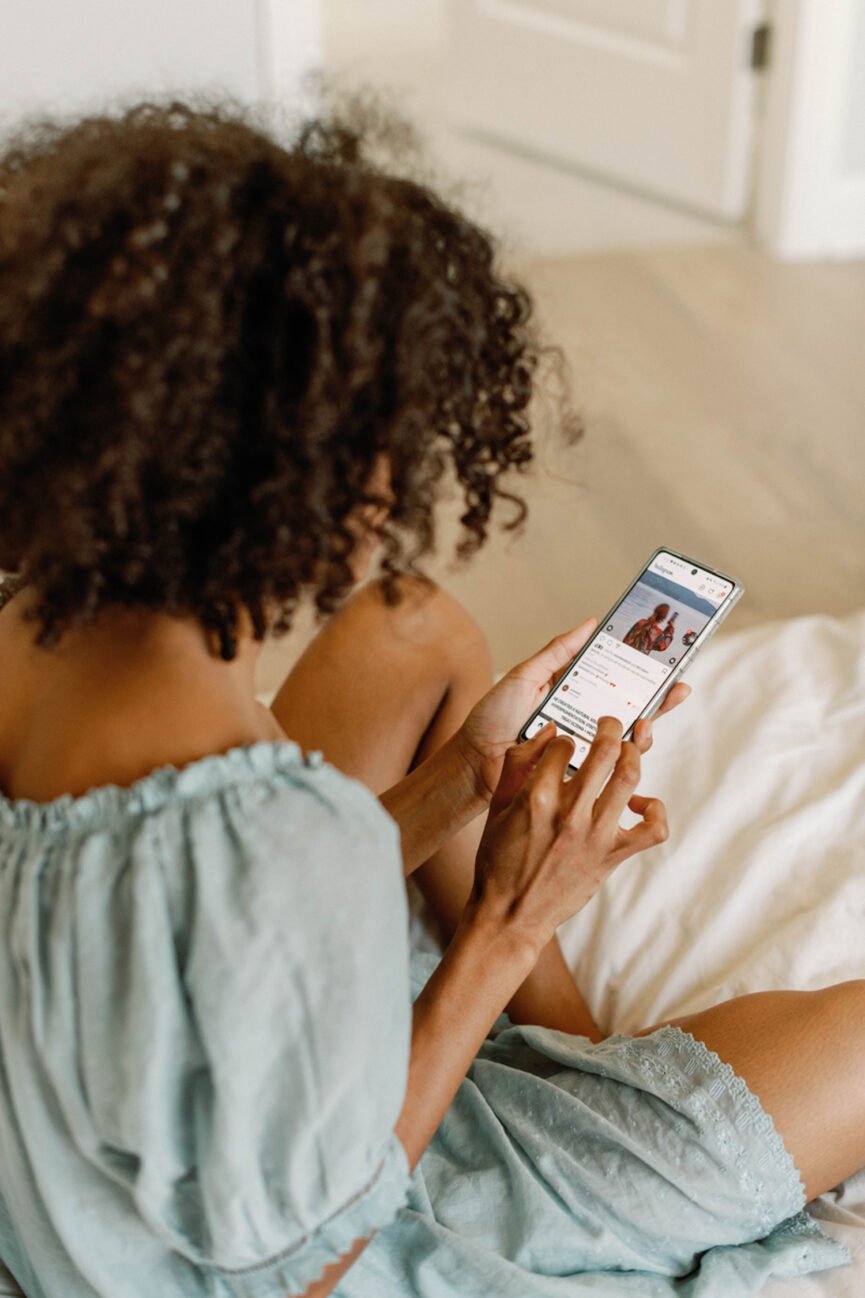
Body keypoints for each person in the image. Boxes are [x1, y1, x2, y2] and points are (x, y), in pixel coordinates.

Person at [0, 96, 860, 1298]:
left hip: (93, 1170)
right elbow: (293, 1264)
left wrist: (463, 778)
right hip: (320, 1237)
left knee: (409, 632)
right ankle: (564, 1068)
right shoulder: (250, 823)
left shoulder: (30, 632)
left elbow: (200, 922)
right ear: (307, 470)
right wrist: (507, 921)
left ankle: (563, 1046)